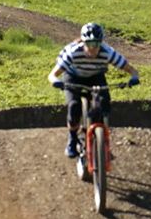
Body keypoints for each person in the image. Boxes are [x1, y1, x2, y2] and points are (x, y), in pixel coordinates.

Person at [48, 22, 140, 158]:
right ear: (83, 42)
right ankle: (72, 138)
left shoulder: (107, 52)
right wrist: (56, 82)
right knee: (74, 106)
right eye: (89, 44)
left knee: (103, 104)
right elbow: (52, 74)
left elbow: (131, 69)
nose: (93, 48)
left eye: (96, 44)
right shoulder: (73, 52)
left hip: (96, 76)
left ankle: (100, 140)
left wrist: (134, 77)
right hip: (73, 77)